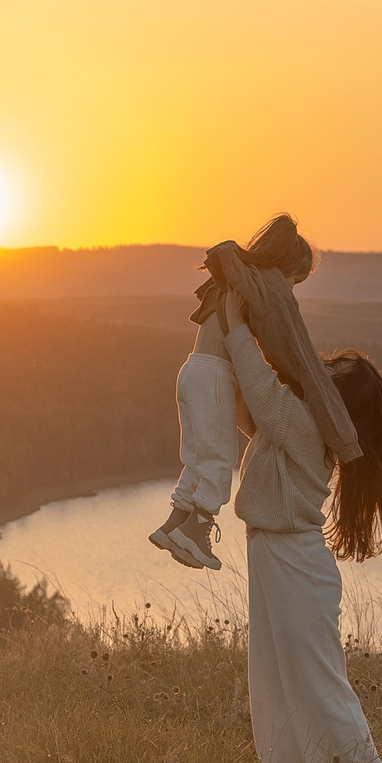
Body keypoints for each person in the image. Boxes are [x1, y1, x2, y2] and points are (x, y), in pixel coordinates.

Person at [216, 283, 382, 763]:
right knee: (277, 680)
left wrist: (235, 325)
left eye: (326, 381)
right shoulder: (299, 424)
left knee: (318, 685)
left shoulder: (304, 425)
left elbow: (261, 391)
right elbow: (250, 409)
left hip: (294, 563)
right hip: (277, 557)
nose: (313, 381)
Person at [148, 214, 327, 571]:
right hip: (214, 375)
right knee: (218, 458)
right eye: (295, 281)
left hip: (192, 370)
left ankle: (173, 525)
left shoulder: (232, 281)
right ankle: (196, 532)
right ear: (286, 269)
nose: (291, 289)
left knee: (199, 455)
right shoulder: (256, 285)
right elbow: (274, 339)